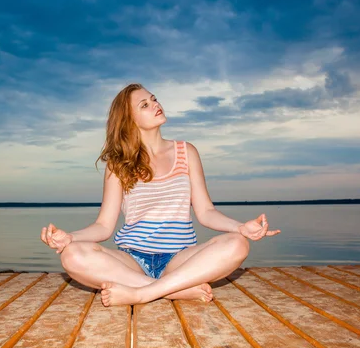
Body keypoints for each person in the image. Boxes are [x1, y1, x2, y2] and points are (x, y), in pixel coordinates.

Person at [41, 83, 280, 307]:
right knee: (72, 255)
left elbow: (206, 212)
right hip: (132, 261)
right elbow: (104, 226)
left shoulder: (186, 152)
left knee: (238, 244)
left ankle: (144, 292)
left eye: (153, 99)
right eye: (144, 104)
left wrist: (241, 228)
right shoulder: (118, 164)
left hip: (179, 259)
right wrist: (70, 238)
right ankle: (173, 290)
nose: (155, 104)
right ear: (129, 120)